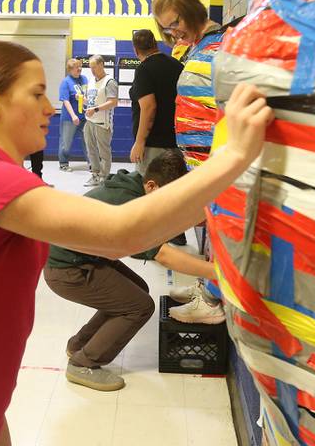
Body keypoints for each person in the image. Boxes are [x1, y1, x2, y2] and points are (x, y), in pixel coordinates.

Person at [0, 40, 271, 446]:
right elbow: (121, 231)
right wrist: (232, 153)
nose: (50, 108)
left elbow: (133, 237)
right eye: (37, 94)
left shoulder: (2, 177)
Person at [44, 149, 221, 392]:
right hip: (67, 269)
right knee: (140, 306)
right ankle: (83, 363)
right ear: (151, 185)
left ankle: (79, 344)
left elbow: (161, 234)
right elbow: (164, 255)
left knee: (138, 290)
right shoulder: (130, 202)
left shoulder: (135, 187)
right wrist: (218, 273)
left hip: (80, 258)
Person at [152, 0, 241, 170]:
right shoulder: (196, 49)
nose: (173, 33)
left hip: (217, 163)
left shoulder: (224, 45)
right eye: (167, 29)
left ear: (191, 10)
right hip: (199, 164)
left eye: (175, 23)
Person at [129, 29, 183, 174]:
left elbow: (148, 107)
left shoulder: (144, 69)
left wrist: (140, 142)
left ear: (136, 50)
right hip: (176, 142)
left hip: (154, 145)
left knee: (151, 188)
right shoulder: (177, 66)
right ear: (155, 44)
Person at [83, 54, 118, 187]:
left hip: (103, 123)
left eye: (94, 67)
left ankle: (104, 177)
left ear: (102, 65)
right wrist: (83, 100)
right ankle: (95, 174)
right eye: (90, 67)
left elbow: (113, 102)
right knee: (90, 149)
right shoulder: (91, 81)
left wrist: (96, 109)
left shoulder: (110, 81)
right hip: (90, 120)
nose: (92, 70)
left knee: (104, 151)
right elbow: (92, 100)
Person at [58, 58, 88, 171]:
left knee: (88, 141)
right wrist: (73, 116)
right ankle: (63, 163)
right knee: (66, 142)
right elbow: (65, 101)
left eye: (80, 66)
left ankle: (92, 163)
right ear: (70, 70)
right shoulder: (66, 82)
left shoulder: (84, 79)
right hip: (69, 118)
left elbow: (87, 96)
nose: (79, 69)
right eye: (77, 67)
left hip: (84, 117)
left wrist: (85, 100)